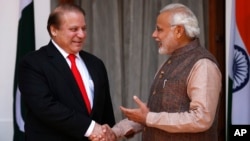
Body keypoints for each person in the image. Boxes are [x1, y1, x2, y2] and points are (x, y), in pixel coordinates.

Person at [90, 2, 222, 141]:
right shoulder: (171, 62)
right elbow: (155, 112)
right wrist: (116, 131)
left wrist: (148, 118)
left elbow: (201, 118)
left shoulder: (203, 65)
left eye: (159, 29)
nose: (154, 35)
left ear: (178, 31)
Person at [18, 3, 115, 141]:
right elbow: (46, 107)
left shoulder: (96, 64)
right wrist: (91, 128)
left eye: (84, 28)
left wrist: (108, 134)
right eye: (74, 29)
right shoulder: (33, 63)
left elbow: (106, 111)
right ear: (54, 30)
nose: (81, 34)